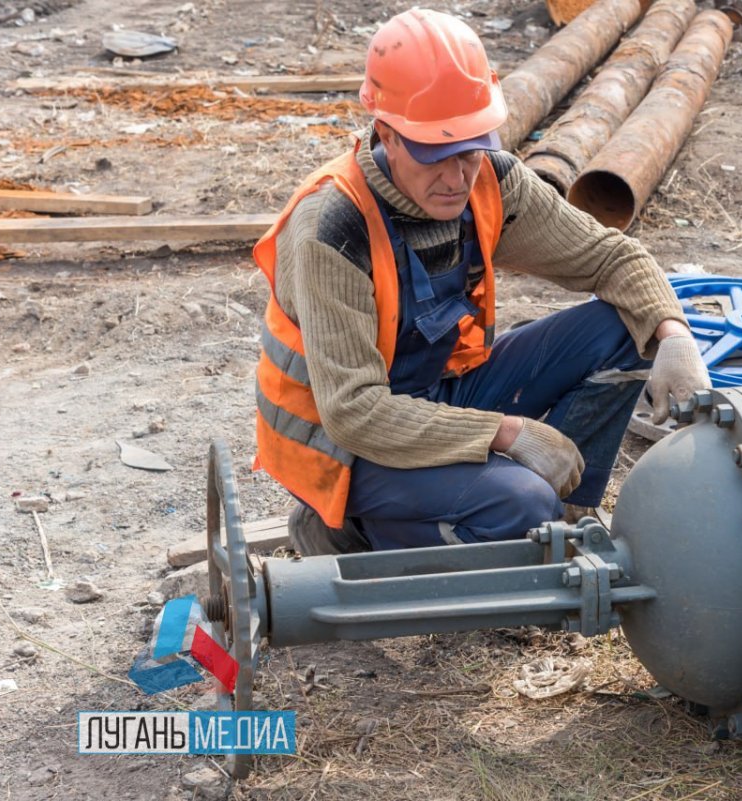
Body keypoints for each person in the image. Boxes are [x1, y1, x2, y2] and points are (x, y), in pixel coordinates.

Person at [253, 8, 709, 555]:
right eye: (433, 154)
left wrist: (674, 334)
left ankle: (562, 524)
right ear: (387, 133)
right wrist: (509, 434)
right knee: (520, 504)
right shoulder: (335, 226)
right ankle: (352, 533)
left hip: (433, 391)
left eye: (469, 150)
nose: (456, 177)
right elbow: (355, 413)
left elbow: (610, 257)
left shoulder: (491, 181)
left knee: (624, 326)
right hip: (344, 444)